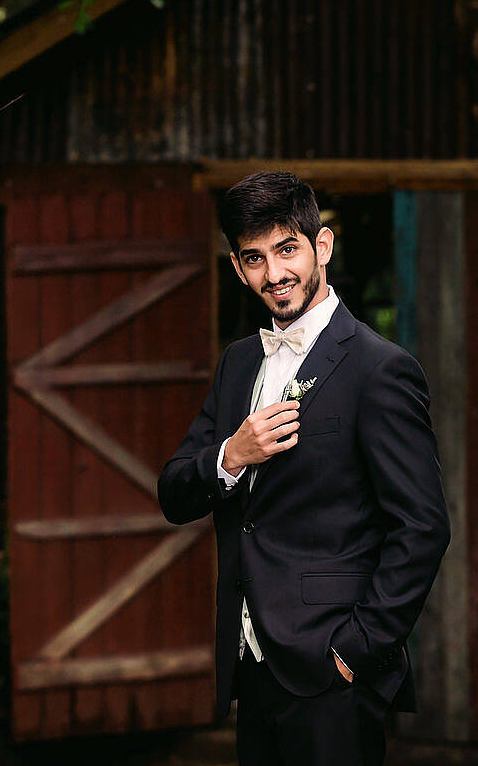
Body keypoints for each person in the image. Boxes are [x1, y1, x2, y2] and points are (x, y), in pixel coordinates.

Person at [157, 170, 450, 766]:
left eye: (287, 248)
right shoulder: (238, 364)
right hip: (251, 666)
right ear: (238, 269)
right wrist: (231, 455)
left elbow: (423, 527)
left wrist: (356, 651)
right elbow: (173, 492)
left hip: (332, 670)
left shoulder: (379, 369)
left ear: (323, 247)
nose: (275, 274)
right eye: (255, 258)